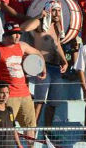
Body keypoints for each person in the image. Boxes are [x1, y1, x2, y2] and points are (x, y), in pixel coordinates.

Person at [0, 22, 44, 148]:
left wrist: (43, 68)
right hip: (8, 95)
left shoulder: (22, 46)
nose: (17, 36)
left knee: (30, 123)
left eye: (19, 33)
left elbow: (38, 53)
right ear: (6, 34)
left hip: (24, 92)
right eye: (14, 34)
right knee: (7, 125)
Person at [28, 0, 67, 128]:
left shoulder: (57, 26)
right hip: (42, 66)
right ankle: (32, 131)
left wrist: (64, 61)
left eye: (59, 11)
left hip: (56, 68)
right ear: (48, 10)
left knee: (53, 103)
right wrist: (39, 16)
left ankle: (47, 132)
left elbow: (57, 44)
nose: (57, 13)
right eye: (54, 10)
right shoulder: (40, 24)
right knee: (39, 101)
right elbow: (24, 27)